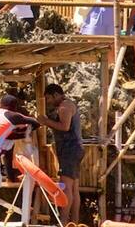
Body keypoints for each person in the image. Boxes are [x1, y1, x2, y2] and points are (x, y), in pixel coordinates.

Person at [0, 94, 42, 220]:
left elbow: (6, 137)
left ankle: (10, 175)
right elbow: (35, 123)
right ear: (14, 107)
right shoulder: (12, 115)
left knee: (8, 146)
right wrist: (25, 130)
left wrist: (18, 134)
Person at [39, 83, 83, 223]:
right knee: (74, 187)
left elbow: (64, 127)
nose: (49, 102)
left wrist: (46, 121)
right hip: (74, 150)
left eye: (49, 99)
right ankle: (74, 222)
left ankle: (63, 222)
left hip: (70, 150)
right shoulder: (66, 105)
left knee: (67, 186)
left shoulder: (64, 106)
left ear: (56, 95)